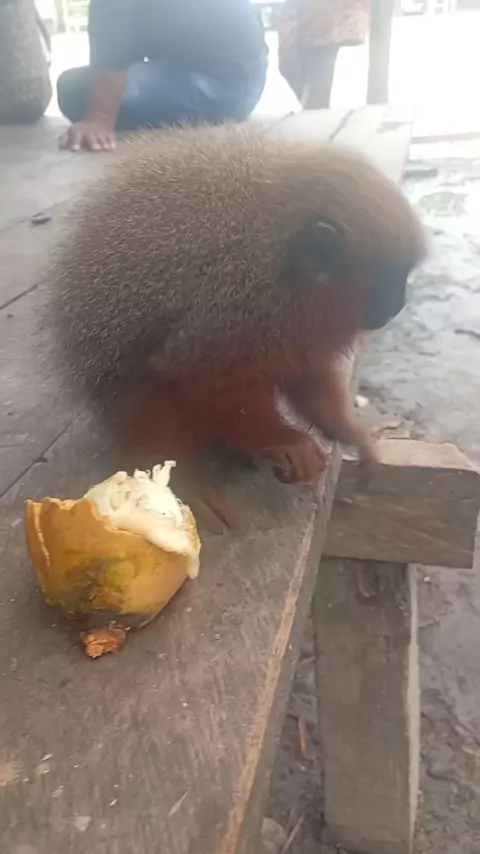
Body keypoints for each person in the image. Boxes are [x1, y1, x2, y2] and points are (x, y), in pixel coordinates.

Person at [57, 0, 268, 152]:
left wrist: (99, 118)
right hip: (251, 70)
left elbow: (112, 45)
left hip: (221, 87)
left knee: (74, 90)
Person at [278, 0, 371, 110]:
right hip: (315, 15)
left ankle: (315, 108)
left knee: (318, 56)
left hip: (328, 17)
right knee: (288, 63)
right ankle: (315, 106)